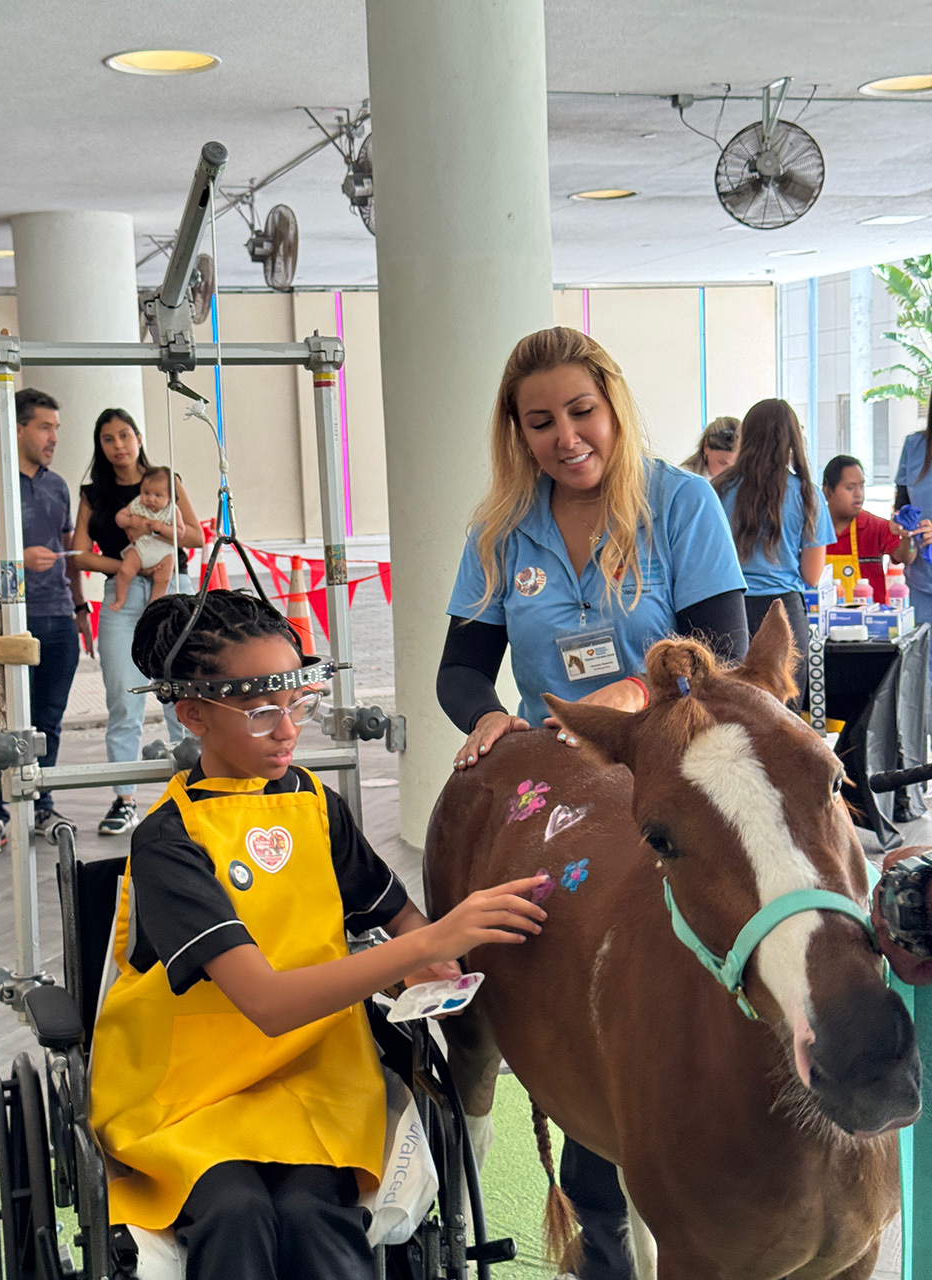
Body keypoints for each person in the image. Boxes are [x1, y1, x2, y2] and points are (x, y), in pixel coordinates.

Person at [88, 590, 548, 1280]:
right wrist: (423, 945)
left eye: (298, 704)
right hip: (186, 1090)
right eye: (263, 712)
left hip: (317, 1073)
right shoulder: (168, 839)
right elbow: (267, 1003)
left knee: (315, 1213)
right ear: (193, 716)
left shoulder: (315, 806)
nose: (288, 730)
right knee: (235, 1211)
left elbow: (401, 920)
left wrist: (434, 963)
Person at [437, 326, 748, 1280]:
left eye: (581, 411)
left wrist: (631, 697)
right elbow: (458, 668)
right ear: (517, 431)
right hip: (556, 779)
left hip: (669, 769)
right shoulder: (501, 527)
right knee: (567, 970)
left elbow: (722, 650)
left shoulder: (681, 501)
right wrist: (489, 719)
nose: (566, 436)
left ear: (612, 405)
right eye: (541, 421)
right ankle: (599, 1242)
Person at [0, 389, 92, 855]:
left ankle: (42, 804)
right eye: (45, 427)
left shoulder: (58, 485)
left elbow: (70, 559)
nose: (53, 437)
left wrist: (80, 610)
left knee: (49, 721)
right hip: (6, 620)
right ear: (17, 428)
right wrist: (17, 560)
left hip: (59, 617)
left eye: (56, 428)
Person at [72, 409, 203, 836]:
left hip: (173, 589)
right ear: (101, 445)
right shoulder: (94, 494)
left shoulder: (167, 479)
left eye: (124, 435)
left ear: (139, 436)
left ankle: (191, 790)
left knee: (178, 692)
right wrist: (129, 566)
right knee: (123, 699)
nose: (118, 445)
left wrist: (150, 530)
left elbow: (196, 537)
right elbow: (80, 554)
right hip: (122, 593)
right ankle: (125, 798)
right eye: (108, 439)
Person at [714, 398, 834, 710]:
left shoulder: (718, 490)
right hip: (784, 613)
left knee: (733, 716)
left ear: (746, 436)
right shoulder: (808, 494)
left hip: (728, 608)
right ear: (793, 439)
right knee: (783, 719)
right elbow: (812, 574)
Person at [822, 453, 915, 603]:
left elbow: (906, 557)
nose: (858, 494)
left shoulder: (875, 527)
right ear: (827, 491)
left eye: (861, 486)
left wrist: (907, 535)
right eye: (849, 487)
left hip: (872, 623)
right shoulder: (813, 529)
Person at [110, 466, 184, 611]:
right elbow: (119, 517)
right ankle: (120, 599)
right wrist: (129, 521)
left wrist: (162, 528)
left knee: (163, 579)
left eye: (158, 495)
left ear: (170, 497)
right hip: (140, 547)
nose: (150, 499)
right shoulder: (137, 504)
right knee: (125, 571)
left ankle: (154, 605)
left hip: (163, 552)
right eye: (146, 493)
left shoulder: (172, 510)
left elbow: (180, 533)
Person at [894, 409, 932, 675]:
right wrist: (900, 524)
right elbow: (901, 503)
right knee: (921, 671)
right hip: (921, 579)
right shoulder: (914, 445)